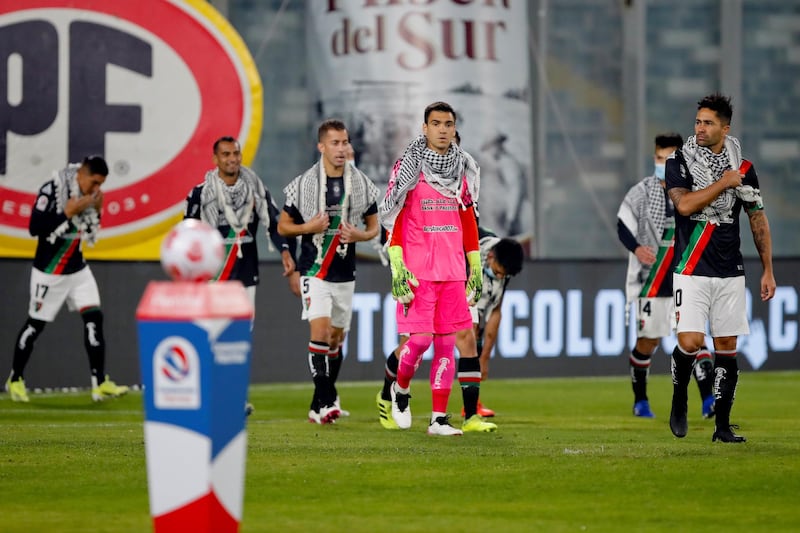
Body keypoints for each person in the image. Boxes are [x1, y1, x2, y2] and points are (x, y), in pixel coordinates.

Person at [379, 101, 497, 436]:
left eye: (448, 123)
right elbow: (396, 219)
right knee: (418, 342)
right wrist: (398, 265)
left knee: (447, 344)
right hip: (418, 270)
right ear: (424, 128)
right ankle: (400, 391)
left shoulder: (463, 169)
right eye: (436, 123)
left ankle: (438, 420)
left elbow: (467, 220)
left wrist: (473, 264)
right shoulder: (408, 168)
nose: (443, 129)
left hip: (452, 270)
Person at [665, 93, 776, 443]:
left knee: (727, 345)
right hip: (691, 266)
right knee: (692, 341)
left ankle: (722, 427)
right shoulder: (679, 160)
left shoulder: (743, 169)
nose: (700, 127)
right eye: (698, 121)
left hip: (730, 268)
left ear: (725, 128)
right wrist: (722, 184)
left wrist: (768, 270)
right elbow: (684, 205)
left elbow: (757, 219)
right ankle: (680, 395)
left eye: (708, 122)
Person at [278, 119, 380, 425]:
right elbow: (283, 225)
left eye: (345, 142)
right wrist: (308, 228)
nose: (342, 148)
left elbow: (374, 227)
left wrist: (358, 235)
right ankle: (324, 401)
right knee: (320, 332)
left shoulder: (360, 183)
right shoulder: (304, 184)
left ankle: (321, 401)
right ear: (321, 146)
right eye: (335, 143)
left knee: (336, 339)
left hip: (344, 271)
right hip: (314, 269)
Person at [184, 136, 295, 416]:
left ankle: (234, 398)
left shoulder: (255, 189)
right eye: (226, 154)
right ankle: (201, 393)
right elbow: (188, 235)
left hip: (245, 274)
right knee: (209, 336)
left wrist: (284, 250)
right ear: (215, 159)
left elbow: (273, 222)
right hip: (213, 274)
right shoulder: (199, 193)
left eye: (236, 153)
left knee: (238, 339)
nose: (232, 159)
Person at [5, 156, 129, 402]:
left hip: (78, 270)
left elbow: (91, 229)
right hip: (50, 271)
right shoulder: (52, 190)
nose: (96, 189)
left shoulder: (90, 196)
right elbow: (34, 228)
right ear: (81, 174)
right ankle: (15, 379)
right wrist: (67, 212)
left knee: (94, 317)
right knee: (35, 325)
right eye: (94, 183)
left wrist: (97, 209)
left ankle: (99, 383)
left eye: (101, 184)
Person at [376, 228, 524, 428]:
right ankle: (387, 396)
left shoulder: (502, 254)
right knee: (409, 347)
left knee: (468, 342)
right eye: (497, 272)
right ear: (489, 256)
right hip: (422, 278)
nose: (498, 277)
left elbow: (496, 309)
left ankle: (470, 416)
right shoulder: (464, 234)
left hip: (457, 290)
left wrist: (486, 357)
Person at [617, 133, 715, 419]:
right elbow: (622, 224)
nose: (663, 163)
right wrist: (636, 248)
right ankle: (641, 401)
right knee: (648, 341)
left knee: (694, 339)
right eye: (659, 158)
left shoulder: (693, 189)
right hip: (652, 280)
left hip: (686, 276)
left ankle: (709, 400)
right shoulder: (642, 192)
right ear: (654, 159)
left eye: (669, 159)